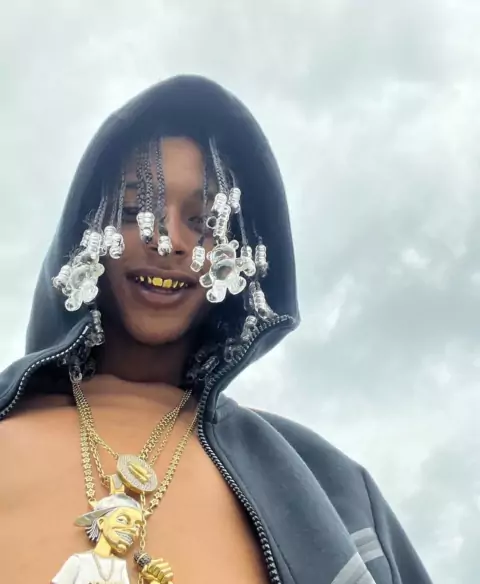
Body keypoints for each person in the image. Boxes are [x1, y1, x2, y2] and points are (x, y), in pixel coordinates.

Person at [0, 75, 432, 584]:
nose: (168, 242)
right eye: (136, 211)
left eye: (206, 222)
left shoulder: (331, 490)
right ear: (87, 231)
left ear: (240, 253)